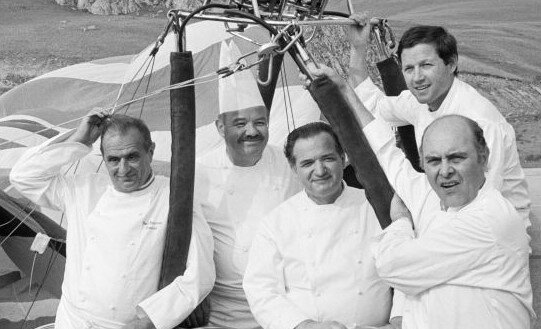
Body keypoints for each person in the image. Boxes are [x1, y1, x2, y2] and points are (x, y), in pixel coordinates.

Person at [301, 65, 534, 329]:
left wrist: (401, 223)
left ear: (483, 157)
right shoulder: (433, 195)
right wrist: (342, 89)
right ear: (423, 163)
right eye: (434, 160)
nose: (445, 170)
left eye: (456, 157)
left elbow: (392, 265)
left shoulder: (490, 219)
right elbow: (385, 152)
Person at [10, 112, 215, 329]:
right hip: (72, 320)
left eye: (132, 157)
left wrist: (150, 320)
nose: (123, 169)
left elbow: (200, 274)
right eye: (114, 160)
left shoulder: (174, 198)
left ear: (151, 151)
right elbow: (23, 177)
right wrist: (80, 141)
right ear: (104, 158)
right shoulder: (82, 188)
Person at [348, 18, 531, 228]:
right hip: (449, 212)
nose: (417, 78)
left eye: (426, 65)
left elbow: (482, 200)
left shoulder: (480, 121)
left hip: (494, 233)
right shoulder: (420, 101)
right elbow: (371, 104)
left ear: (451, 63)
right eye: (409, 69)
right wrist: (357, 48)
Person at [242, 122, 402, 329]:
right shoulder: (276, 223)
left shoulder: (377, 207)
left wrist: (398, 322)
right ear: (293, 168)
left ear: (343, 158)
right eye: (307, 163)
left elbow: (407, 270)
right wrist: (304, 325)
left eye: (327, 158)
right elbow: (260, 289)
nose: (320, 170)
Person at [194, 40, 302, 328]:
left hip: (286, 304)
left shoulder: (289, 161)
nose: (252, 132)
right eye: (240, 124)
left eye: (260, 122)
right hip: (222, 312)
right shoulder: (199, 172)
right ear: (220, 127)